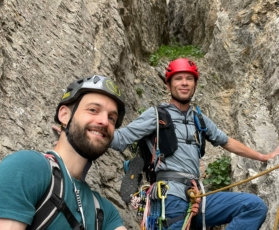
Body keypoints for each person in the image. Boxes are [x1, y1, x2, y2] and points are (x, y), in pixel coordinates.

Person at [110, 58, 279, 229]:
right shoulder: (155, 115)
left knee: (254, 206)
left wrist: (264, 157)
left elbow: (226, 141)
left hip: (196, 197)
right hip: (170, 198)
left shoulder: (199, 119)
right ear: (168, 86)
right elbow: (120, 138)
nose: (184, 83)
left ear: (195, 85)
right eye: (178, 78)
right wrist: (91, 131)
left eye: (189, 79)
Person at [0, 75, 127, 230]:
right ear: (64, 115)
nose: (104, 121)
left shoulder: (105, 213)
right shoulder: (27, 169)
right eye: (93, 110)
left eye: (111, 118)